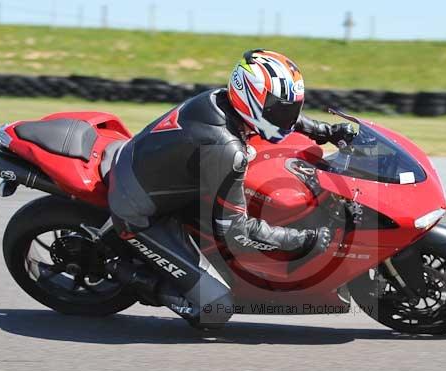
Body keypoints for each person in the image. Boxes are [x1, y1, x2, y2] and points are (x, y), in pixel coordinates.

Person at [104, 49, 356, 328]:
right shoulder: (226, 150)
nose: (288, 115)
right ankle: (127, 273)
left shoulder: (221, 100)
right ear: (250, 97)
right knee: (215, 310)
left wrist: (326, 131)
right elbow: (235, 232)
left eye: (292, 107)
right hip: (139, 211)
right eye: (281, 108)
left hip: (168, 180)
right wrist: (303, 240)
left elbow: (281, 119)